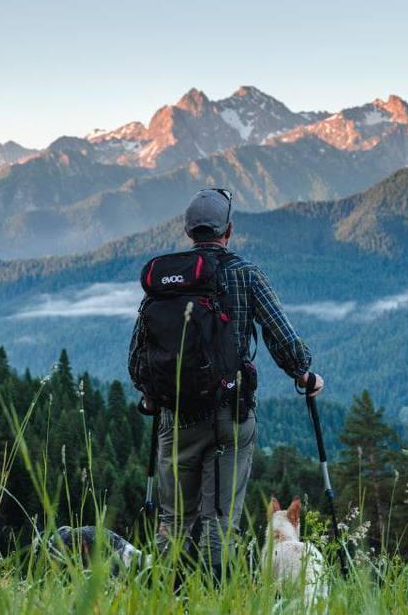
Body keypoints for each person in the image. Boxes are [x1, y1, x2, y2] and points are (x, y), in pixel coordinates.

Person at [127, 187, 323, 575]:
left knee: (174, 517)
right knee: (220, 516)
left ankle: (168, 595)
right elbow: (281, 336)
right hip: (230, 414)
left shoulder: (166, 280)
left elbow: (139, 352)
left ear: (188, 232)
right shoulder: (246, 274)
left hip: (176, 415)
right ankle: (216, 594)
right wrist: (305, 374)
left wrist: (150, 396)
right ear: (228, 230)